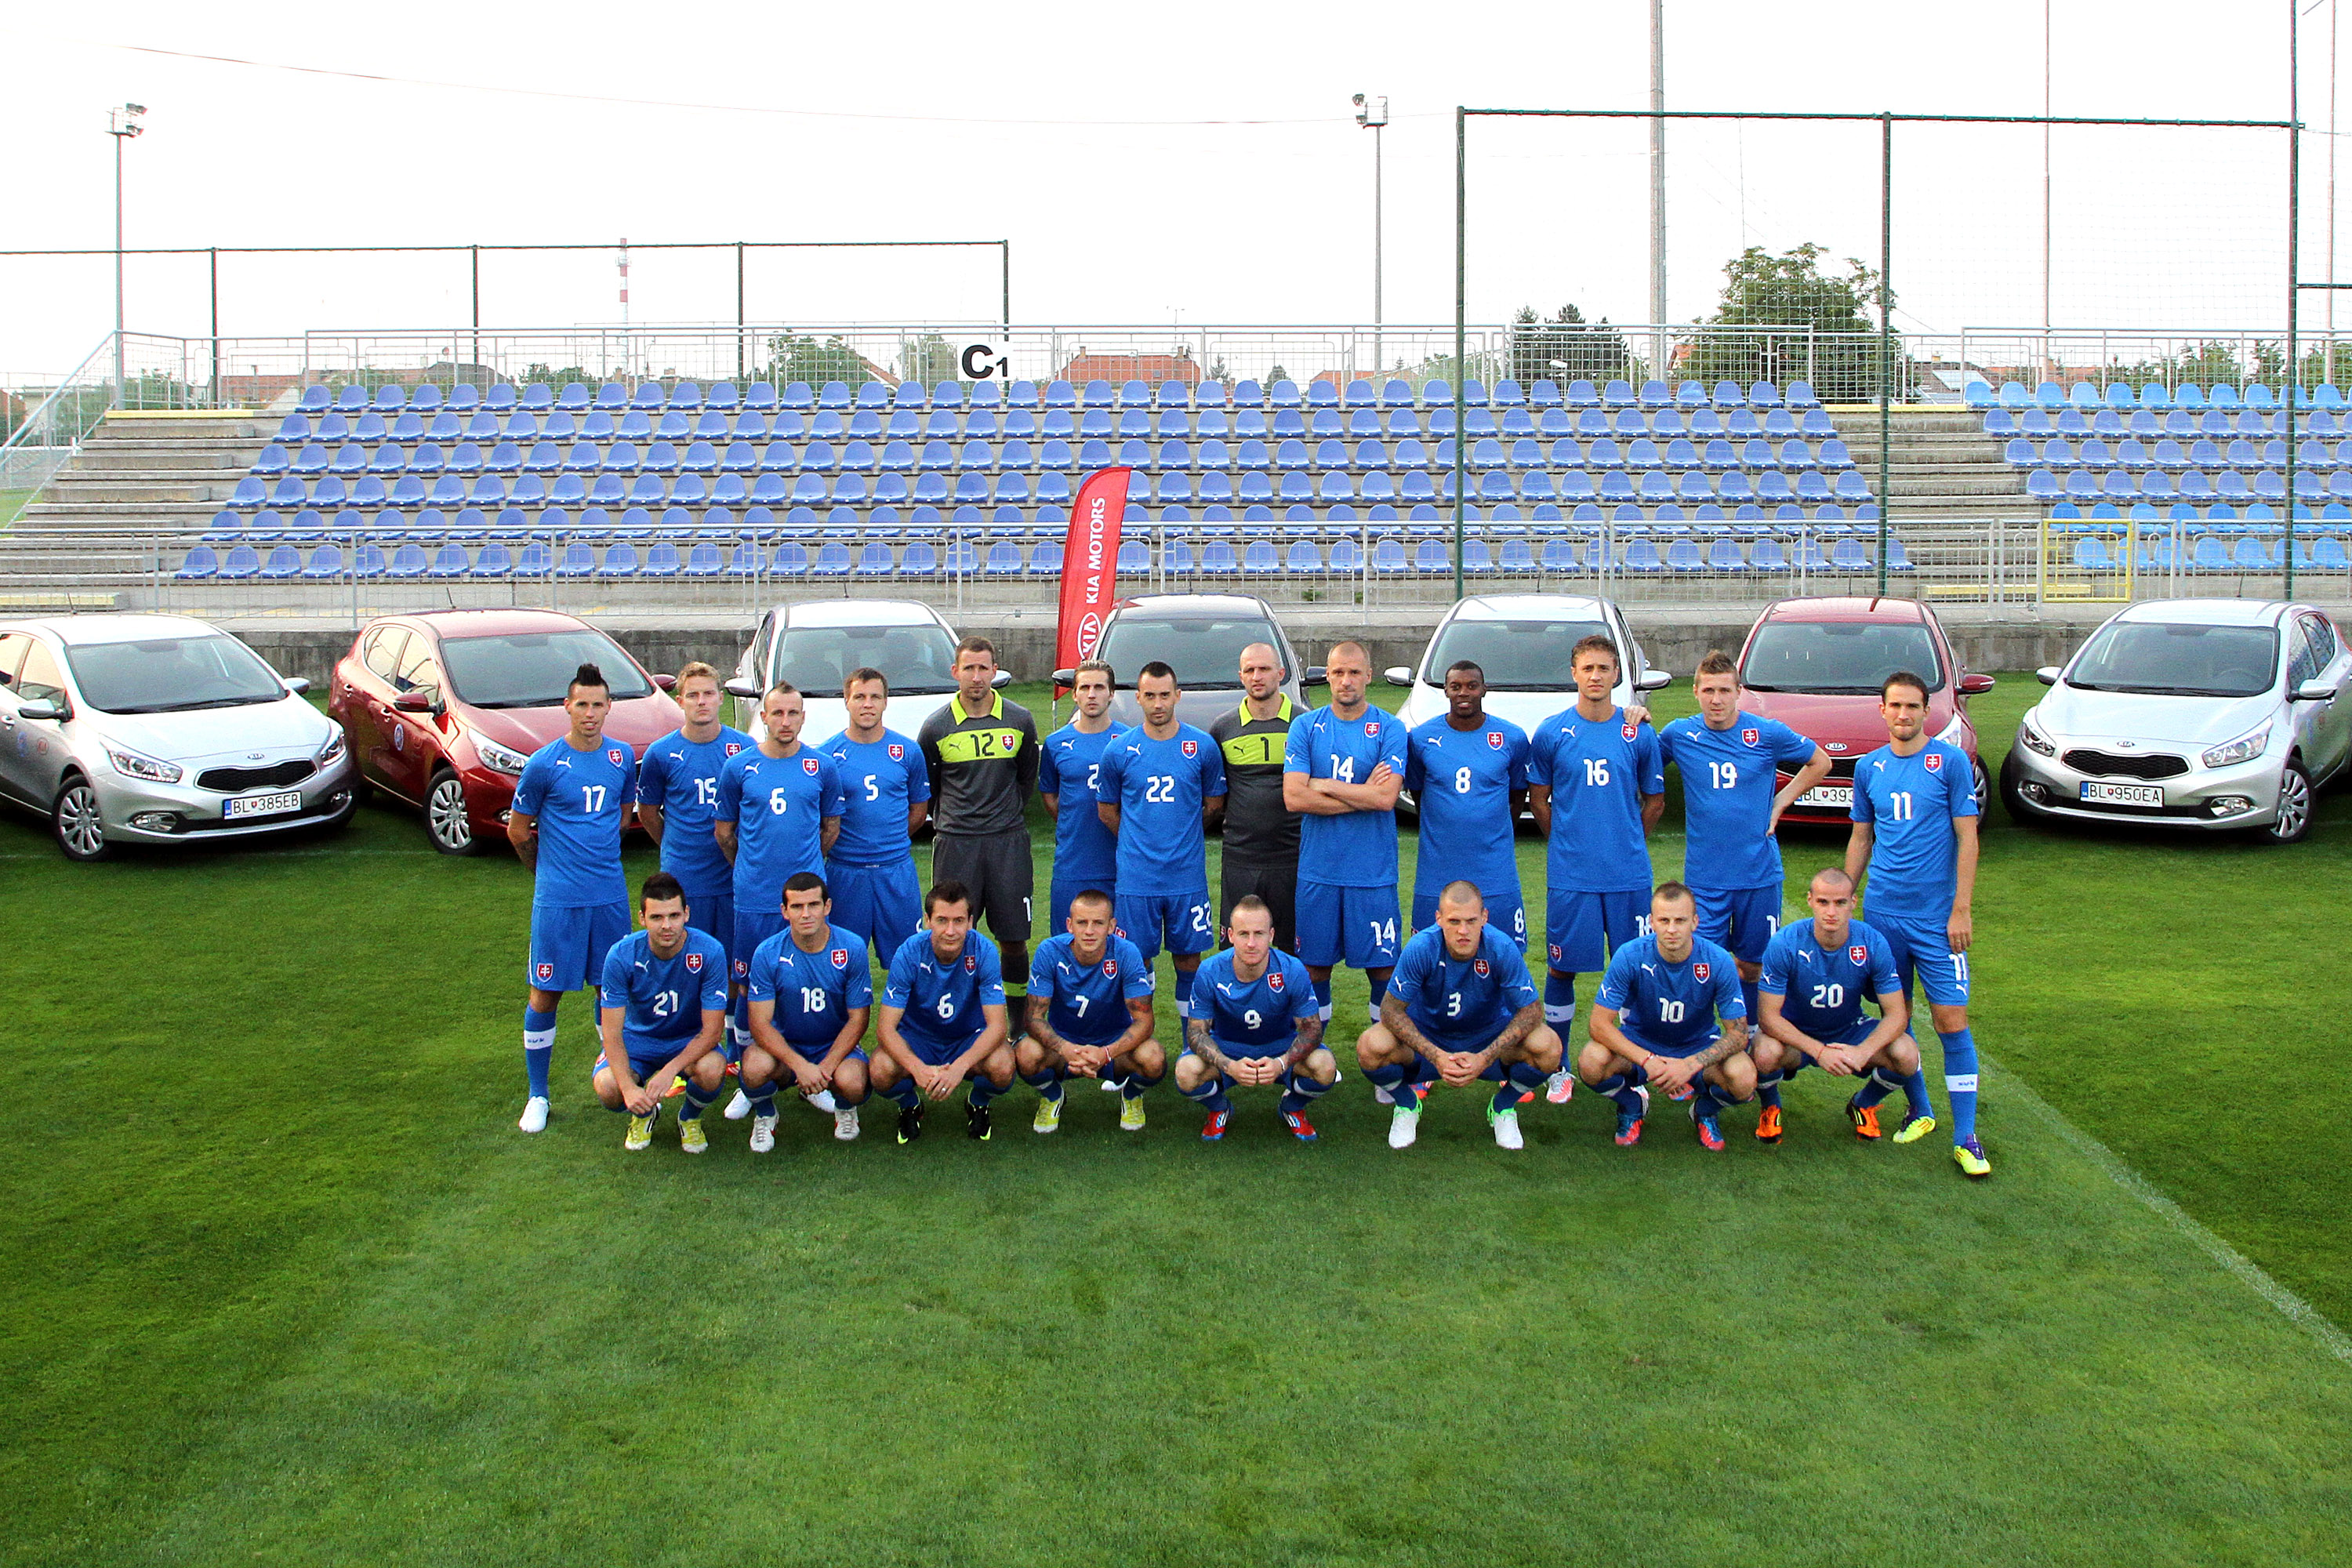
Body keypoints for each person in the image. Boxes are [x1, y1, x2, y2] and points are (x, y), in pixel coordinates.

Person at [1845, 670, 1989, 1178]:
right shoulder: (1869, 767)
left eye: (1912, 706)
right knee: (1896, 1020)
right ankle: (1920, 1109)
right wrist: (1846, 893)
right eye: (1896, 705)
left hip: (1936, 920)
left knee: (1951, 1021)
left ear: (1926, 711)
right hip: (1883, 915)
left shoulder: (1949, 762)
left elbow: (1968, 838)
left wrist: (1961, 908)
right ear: (1882, 710)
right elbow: (1862, 837)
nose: (1903, 714)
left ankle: (1966, 1137)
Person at [1654, 650, 1831, 1037]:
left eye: (1724, 691)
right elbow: (1642, 759)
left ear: (1738, 692)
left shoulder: (1766, 733)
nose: (1716, 700)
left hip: (1758, 875)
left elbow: (1821, 762)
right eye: (1708, 691)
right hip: (1705, 879)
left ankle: (1749, 1037)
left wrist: (1781, 802)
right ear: (1696, 692)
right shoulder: (1679, 734)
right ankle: (1702, 1040)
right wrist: (1633, 717)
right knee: (1703, 966)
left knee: (1753, 966)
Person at [1526, 634, 1664, 1105]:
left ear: (1616, 674)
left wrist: (1627, 841)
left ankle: (1634, 1066)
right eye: (1587, 668)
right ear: (1574, 674)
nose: (1595, 676)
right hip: (1573, 877)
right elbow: (1539, 799)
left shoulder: (1636, 731)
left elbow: (1655, 800)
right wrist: (1566, 842)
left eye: (1604, 668)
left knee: (1635, 971)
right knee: (1562, 968)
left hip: (1628, 876)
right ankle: (1559, 1068)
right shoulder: (1552, 732)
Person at [509, 662, 638, 1134]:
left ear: (609, 708)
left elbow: (623, 816)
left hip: (608, 897)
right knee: (545, 993)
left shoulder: (622, 757)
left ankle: (617, 1075)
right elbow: (518, 831)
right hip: (558, 901)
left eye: (597, 704)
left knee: (611, 989)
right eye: (581, 704)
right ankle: (538, 1095)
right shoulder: (544, 763)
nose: (589, 713)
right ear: (567, 707)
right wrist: (547, 874)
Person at [1356, 881, 1560, 1151]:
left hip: (1487, 1037)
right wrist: (1436, 1055)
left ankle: (1503, 1107)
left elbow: (1532, 1011)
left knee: (1548, 1046)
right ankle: (1407, 1104)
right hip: (1430, 1036)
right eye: (1454, 921)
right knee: (1371, 1046)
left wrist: (1484, 1057)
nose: (1463, 931)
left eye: (1471, 921)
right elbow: (1390, 1010)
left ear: (1484, 918)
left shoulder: (1501, 947)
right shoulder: (1422, 947)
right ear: (1439, 918)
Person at [636, 660, 757, 1113]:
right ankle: (682, 1058)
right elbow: (648, 814)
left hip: (734, 878)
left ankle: (737, 1059)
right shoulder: (662, 753)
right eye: (693, 695)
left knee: (737, 973)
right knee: (687, 970)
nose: (701, 702)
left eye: (708, 694)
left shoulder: (743, 748)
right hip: (685, 881)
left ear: (720, 698)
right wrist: (675, 850)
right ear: (680, 700)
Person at [1753, 867, 1936, 1145]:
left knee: (1907, 1054)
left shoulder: (1872, 942)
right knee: (1765, 1052)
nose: (1831, 912)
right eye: (1823, 902)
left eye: (1840, 903)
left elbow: (1898, 1015)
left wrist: (1864, 1051)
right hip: (1796, 1033)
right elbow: (1768, 1017)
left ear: (1853, 902)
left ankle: (1863, 1103)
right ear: (1810, 901)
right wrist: (1819, 1051)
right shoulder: (1785, 943)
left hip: (1849, 1029)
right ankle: (1770, 1107)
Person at [916, 637, 1041, 1043]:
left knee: (1013, 938)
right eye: (968, 668)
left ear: (995, 671)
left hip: (1007, 844)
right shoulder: (936, 727)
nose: (976, 677)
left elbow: (1025, 780)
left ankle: (1017, 1023)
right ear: (955, 672)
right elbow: (931, 788)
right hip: (956, 844)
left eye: (983, 668)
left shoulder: (1020, 720)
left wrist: (1001, 815)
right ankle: (957, 1019)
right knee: (951, 935)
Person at [1282, 640, 1406, 1029]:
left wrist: (1325, 785)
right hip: (1319, 873)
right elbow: (1294, 797)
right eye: (1338, 672)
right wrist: (1362, 793)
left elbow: (1385, 798)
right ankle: (1313, 1054)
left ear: (1369, 676)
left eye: (1354, 672)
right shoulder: (1306, 726)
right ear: (1327, 676)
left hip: (1372, 874)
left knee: (1383, 969)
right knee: (1314, 968)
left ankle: (1383, 1054)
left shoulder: (1390, 728)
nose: (1346, 680)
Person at [1575, 882, 1752, 1151]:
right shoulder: (1630, 955)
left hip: (1697, 1045)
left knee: (1744, 1077)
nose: (1671, 929)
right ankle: (1632, 1105)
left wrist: (1690, 1064)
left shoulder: (1717, 960)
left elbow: (1739, 1034)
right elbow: (1598, 1025)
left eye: (1680, 921)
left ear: (1695, 922)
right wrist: (1648, 1060)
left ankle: (1705, 1111)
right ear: (1651, 922)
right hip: (1641, 1041)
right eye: (1664, 920)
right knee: (1591, 1061)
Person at [1096, 660, 1225, 1014]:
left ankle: (1190, 1038)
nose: (1158, 704)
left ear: (1177, 696)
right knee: (1137, 960)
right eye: (1150, 696)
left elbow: (1214, 805)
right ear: (1137, 698)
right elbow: (1107, 811)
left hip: (1186, 877)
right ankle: (1142, 1038)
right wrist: (1138, 840)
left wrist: (1182, 835)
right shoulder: (1119, 751)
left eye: (1165, 695)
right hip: (1137, 879)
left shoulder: (1202, 746)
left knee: (1189, 959)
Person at [1175, 895, 1336, 1142]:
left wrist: (1281, 1063)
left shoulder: (1292, 969)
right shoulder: (1210, 971)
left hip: (1280, 1046)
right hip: (1228, 1047)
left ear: (1271, 935)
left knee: (1325, 1068)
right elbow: (1196, 1032)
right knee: (1186, 1073)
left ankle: (1292, 1107)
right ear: (1230, 936)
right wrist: (1228, 1065)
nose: (1251, 943)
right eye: (1243, 934)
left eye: (1259, 934)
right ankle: (1219, 1108)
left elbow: (1312, 1029)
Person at [591, 873, 731, 1153]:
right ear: (642, 918)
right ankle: (645, 1113)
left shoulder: (710, 952)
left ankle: (689, 1118)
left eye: (674, 916)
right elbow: (612, 1033)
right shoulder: (621, 955)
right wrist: (628, 1089)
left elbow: (713, 1032)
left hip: (688, 1039)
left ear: (686, 914)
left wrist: (670, 1071)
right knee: (608, 1087)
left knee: (712, 1069)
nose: (667, 926)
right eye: (657, 917)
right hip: (637, 1041)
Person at [873, 881, 1017, 1144]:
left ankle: (978, 1101)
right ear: (928, 921)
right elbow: (885, 1028)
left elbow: (998, 1026)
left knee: (1003, 1066)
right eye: (942, 920)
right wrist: (917, 1068)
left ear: (970, 922)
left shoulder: (983, 950)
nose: (950, 931)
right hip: (919, 1039)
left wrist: (959, 1067)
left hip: (967, 1037)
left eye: (958, 921)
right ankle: (909, 1104)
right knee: (880, 1070)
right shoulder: (909, 952)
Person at [1403, 660, 1530, 948]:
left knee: (1504, 952)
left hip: (1494, 869)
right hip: (1437, 869)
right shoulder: (1421, 738)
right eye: (1456, 686)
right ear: (1445, 691)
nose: (1464, 693)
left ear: (1484, 689)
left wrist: (1495, 832)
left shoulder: (1511, 737)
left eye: (1472, 686)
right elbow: (1419, 794)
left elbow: (1517, 795)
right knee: (1429, 954)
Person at [741, 872, 872, 1149]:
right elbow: (760, 1024)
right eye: (797, 907)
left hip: (833, 1046)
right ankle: (766, 1114)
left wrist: (825, 1067)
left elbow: (859, 1019)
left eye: (813, 905)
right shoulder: (767, 953)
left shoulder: (851, 947)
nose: (806, 914)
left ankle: (845, 1108)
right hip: (786, 1047)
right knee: (753, 1067)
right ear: (784, 911)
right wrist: (800, 1066)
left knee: (853, 1083)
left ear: (827, 907)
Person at [1019, 889, 1163, 1134]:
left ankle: (1131, 1095)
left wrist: (1106, 1053)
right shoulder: (1049, 951)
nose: (1089, 931)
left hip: (1113, 1046)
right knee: (1025, 1053)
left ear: (1111, 926)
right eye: (1082, 923)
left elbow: (1144, 1021)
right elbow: (1033, 1018)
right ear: (1069, 925)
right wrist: (1065, 1048)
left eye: (1098, 923)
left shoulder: (1127, 952)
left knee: (1154, 1057)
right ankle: (1053, 1096)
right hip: (1063, 1046)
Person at [822, 667, 931, 957]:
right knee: (841, 959)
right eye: (859, 697)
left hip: (895, 871)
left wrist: (889, 841)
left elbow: (919, 810)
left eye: (875, 697)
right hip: (845, 872)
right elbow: (822, 819)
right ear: (846, 701)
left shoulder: (907, 751)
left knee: (906, 959)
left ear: (885, 702)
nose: (867, 704)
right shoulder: (827, 756)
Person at [1208, 641, 1301, 953]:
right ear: (1241, 676)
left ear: (1281, 673)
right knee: (1238, 949)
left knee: (1289, 951)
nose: (1257, 676)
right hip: (1241, 857)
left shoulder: (1304, 724)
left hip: (1292, 856)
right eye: (1250, 670)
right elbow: (1215, 795)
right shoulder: (1223, 728)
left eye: (1264, 669)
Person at [1039, 659, 1123, 933]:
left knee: (1122, 944)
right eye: (1085, 688)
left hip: (1120, 863)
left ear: (1111, 693)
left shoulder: (1130, 741)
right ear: (1074, 694)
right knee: (1068, 942)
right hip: (1073, 863)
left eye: (1099, 687)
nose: (1092, 694)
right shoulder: (1056, 743)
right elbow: (1051, 799)